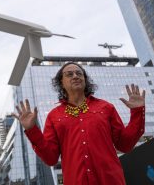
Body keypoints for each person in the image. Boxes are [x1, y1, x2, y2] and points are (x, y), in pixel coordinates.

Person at [13, 62, 146, 185]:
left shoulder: (106, 107)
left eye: (79, 73)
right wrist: (32, 130)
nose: (75, 76)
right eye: (69, 74)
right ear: (61, 83)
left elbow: (125, 145)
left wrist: (138, 112)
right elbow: (51, 158)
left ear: (85, 80)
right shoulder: (54, 116)